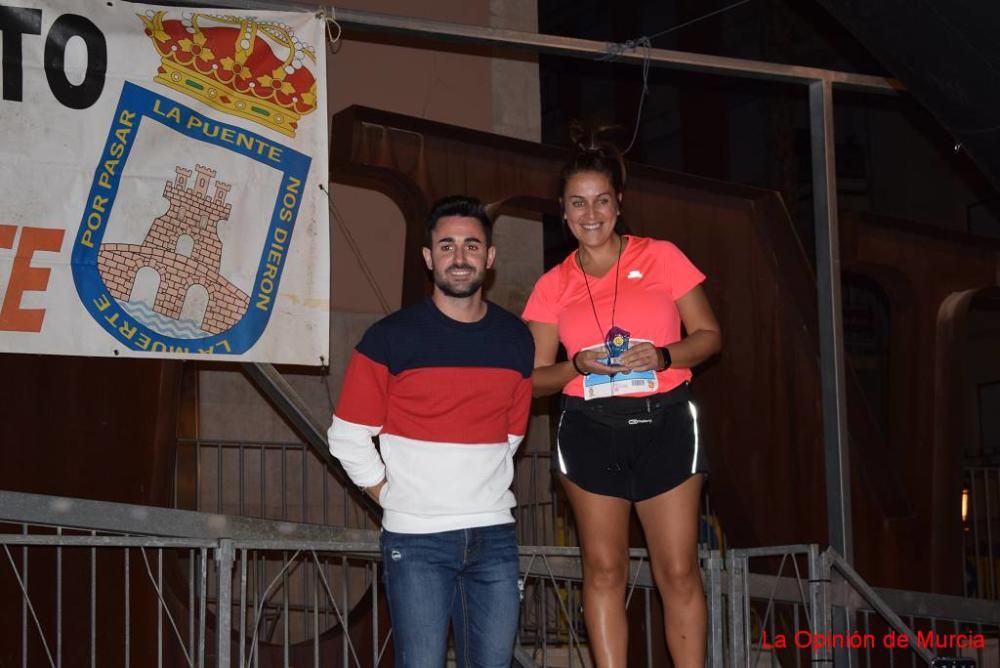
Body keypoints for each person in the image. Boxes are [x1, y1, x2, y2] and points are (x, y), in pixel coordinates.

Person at [522, 141, 722, 667]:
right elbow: (534, 380)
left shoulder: (662, 256)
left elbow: (709, 337)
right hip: (589, 428)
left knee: (677, 569)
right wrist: (578, 367)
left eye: (602, 201)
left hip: (666, 422)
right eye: (578, 203)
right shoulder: (551, 286)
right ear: (563, 212)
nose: (592, 214)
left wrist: (660, 354)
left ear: (619, 204)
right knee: (604, 570)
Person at [327, 195, 534, 668]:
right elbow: (347, 435)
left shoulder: (516, 338)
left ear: (490, 257)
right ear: (428, 257)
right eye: (446, 246)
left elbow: (511, 436)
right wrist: (394, 495)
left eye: (471, 246)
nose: (460, 258)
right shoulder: (388, 338)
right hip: (416, 541)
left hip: (494, 537)